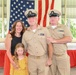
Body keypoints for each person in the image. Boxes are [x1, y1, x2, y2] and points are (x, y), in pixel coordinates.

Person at [22, 9, 53, 75]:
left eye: (33, 18)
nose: (31, 20)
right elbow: (24, 49)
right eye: (29, 18)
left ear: (36, 19)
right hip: (31, 60)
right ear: (27, 20)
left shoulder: (45, 30)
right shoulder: (25, 34)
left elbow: (50, 45)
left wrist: (50, 59)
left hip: (43, 59)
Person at [47, 9, 72, 75]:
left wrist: (55, 41)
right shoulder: (46, 29)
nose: (52, 19)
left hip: (62, 57)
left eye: (55, 17)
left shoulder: (64, 27)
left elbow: (69, 38)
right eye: (51, 17)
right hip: (51, 57)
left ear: (58, 18)